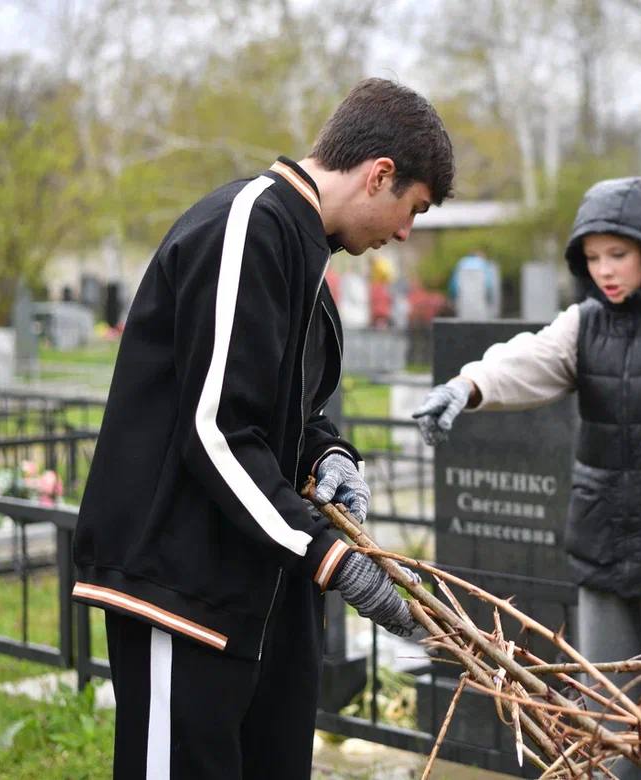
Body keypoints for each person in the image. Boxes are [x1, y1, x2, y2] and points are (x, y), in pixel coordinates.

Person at [71, 78, 454, 780]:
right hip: (185, 585)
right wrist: (330, 557)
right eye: (414, 210)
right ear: (380, 175)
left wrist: (330, 453)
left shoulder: (303, 248)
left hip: (263, 585)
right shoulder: (248, 225)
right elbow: (215, 428)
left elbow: (283, 409)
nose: (404, 233)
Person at [413, 177, 641, 777]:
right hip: (603, 552)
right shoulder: (585, 325)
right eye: (592, 257)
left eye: (618, 254)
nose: (604, 270)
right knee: (605, 727)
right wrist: (467, 385)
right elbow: (529, 359)